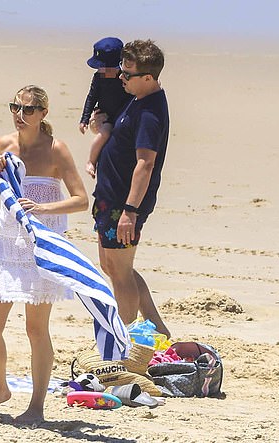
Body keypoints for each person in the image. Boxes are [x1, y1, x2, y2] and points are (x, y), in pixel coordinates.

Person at [0, 85, 88, 425]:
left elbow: (81, 200)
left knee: (36, 330)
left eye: (28, 110)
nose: (20, 115)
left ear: (43, 114)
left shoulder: (56, 150)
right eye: (15, 108)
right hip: (6, 249)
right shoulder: (3, 145)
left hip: (41, 247)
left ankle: (36, 405)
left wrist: (43, 206)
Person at [91, 39, 172, 338]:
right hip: (110, 199)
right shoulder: (137, 98)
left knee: (120, 272)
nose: (121, 78)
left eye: (127, 74)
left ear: (148, 78)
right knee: (112, 267)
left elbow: (145, 165)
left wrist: (130, 211)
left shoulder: (150, 112)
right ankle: (159, 330)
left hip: (123, 206)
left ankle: (122, 340)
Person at [79, 37, 134, 179]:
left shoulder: (125, 79)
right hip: (105, 116)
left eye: (107, 69)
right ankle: (91, 161)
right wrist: (84, 119)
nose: (103, 71)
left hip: (122, 116)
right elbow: (91, 97)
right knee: (104, 133)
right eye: (100, 68)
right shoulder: (98, 77)